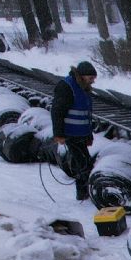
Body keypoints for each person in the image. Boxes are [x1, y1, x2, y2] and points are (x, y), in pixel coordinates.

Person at [50, 60, 97, 200]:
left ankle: (84, 192)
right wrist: (58, 134)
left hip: (81, 134)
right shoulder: (67, 87)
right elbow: (57, 111)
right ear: (82, 75)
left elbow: (86, 115)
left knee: (85, 163)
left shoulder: (83, 88)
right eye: (90, 78)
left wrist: (89, 136)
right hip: (70, 133)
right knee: (83, 164)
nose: (92, 81)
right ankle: (82, 194)